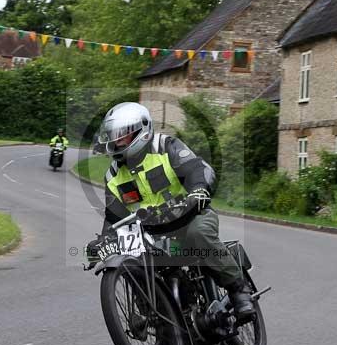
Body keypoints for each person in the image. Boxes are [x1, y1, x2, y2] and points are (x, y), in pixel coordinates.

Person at [87, 102, 254, 317]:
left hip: (191, 215)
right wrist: (103, 241)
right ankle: (158, 317)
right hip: (153, 231)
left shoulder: (166, 146)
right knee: (132, 258)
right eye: (113, 136)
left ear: (142, 130)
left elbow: (197, 169)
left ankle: (238, 290)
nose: (116, 142)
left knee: (199, 233)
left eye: (122, 136)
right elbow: (114, 217)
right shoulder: (112, 176)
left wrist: (198, 191)